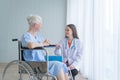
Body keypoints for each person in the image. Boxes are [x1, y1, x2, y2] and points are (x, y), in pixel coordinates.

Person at [21, 15, 68, 80]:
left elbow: (44, 43)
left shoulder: (36, 35)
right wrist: (43, 43)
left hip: (41, 61)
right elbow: (31, 45)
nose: (42, 26)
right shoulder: (26, 35)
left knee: (61, 64)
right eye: (40, 24)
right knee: (58, 65)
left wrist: (46, 42)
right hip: (34, 63)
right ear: (35, 25)